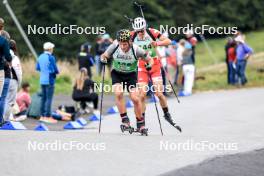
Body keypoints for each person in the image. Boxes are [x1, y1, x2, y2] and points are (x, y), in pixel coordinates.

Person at [131, 17, 180, 130]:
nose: (140, 33)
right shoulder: (132, 35)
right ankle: (141, 122)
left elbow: (168, 41)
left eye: (142, 31)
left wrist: (157, 43)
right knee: (142, 95)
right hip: (141, 66)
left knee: (159, 94)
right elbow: (121, 42)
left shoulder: (152, 32)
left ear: (145, 28)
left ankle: (167, 114)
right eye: (138, 31)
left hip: (155, 65)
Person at [100, 29, 153, 133]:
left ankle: (140, 123)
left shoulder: (136, 49)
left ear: (130, 42)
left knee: (135, 98)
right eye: (121, 44)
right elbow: (104, 55)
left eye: (125, 44)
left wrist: (149, 65)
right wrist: (103, 59)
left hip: (131, 75)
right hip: (117, 73)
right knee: (119, 93)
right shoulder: (114, 45)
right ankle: (125, 120)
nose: (123, 47)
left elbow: (150, 59)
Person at [36, 42, 59, 123]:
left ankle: (42, 116)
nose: (53, 50)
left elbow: (38, 68)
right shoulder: (51, 57)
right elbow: (55, 69)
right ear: (50, 49)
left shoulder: (40, 56)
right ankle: (48, 116)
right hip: (50, 80)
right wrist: (56, 72)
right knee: (49, 99)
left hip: (42, 79)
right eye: (52, 48)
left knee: (43, 98)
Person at [4, 39, 22, 121]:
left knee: (3, 100)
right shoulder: (14, 57)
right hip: (12, 80)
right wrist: (19, 83)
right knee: (10, 102)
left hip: (2, 78)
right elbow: (18, 71)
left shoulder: (3, 54)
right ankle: (6, 120)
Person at [0, 30, 12, 126]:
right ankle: (1, 119)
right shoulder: (5, 54)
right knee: (2, 98)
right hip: (5, 76)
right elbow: (8, 60)